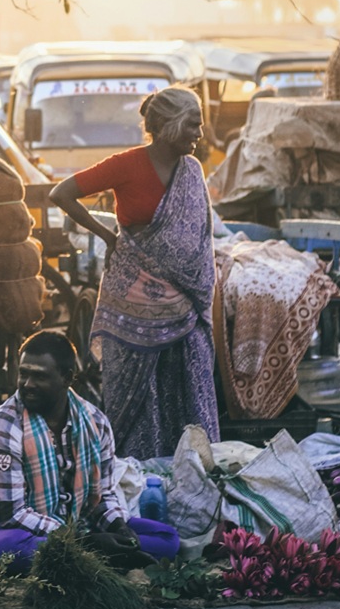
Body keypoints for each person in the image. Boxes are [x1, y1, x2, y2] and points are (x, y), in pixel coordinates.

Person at [49, 85, 219, 459]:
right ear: (168, 125)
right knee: (136, 392)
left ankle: (193, 468)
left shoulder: (191, 171)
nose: (199, 134)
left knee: (186, 383)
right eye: (193, 124)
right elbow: (61, 194)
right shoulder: (125, 165)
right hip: (133, 296)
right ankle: (137, 469)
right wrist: (107, 235)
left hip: (184, 302)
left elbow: (199, 238)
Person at [0, 331, 179, 571]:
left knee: (167, 539)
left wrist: (119, 528)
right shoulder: (1, 427)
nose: (27, 384)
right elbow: (12, 514)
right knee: (9, 549)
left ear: (67, 378)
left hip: (75, 524)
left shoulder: (95, 422)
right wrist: (87, 542)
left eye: (39, 376)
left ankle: (89, 555)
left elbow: (102, 496)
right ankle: (94, 554)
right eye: (23, 373)